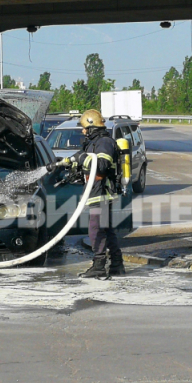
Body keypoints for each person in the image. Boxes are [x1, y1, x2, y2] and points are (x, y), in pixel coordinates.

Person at [67, 109, 124, 278]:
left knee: (95, 229)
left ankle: (99, 265)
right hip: (99, 192)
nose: (83, 131)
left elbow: (101, 166)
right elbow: (85, 160)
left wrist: (82, 158)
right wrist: (67, 162)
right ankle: (117, 264)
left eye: (85, 128)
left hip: (102, 192)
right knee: (106, 229)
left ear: (92, 127)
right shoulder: (95, 142)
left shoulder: (104, 142)